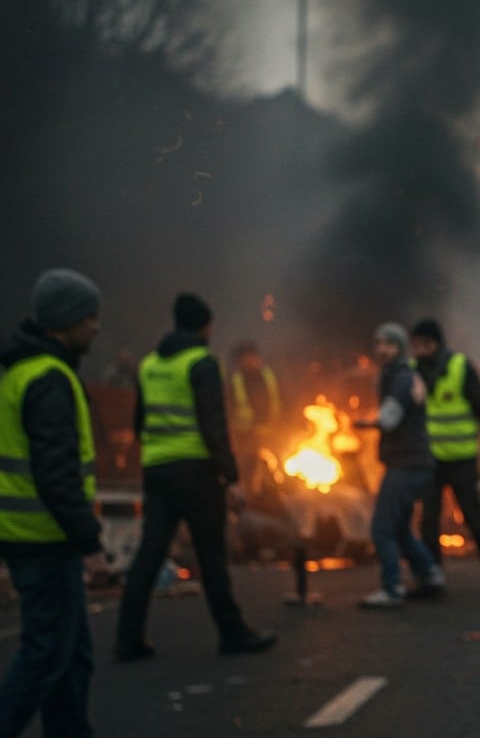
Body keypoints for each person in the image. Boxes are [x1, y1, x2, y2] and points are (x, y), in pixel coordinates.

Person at [115, 293, 275, 660]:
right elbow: (213, 426)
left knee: (150, 553)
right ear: (205, 326)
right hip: (196, 473)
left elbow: (139, 423)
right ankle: (233, 634)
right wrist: (231, 477)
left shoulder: (151, 364)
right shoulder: (202, 363)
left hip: (157, 469)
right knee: (212, 555)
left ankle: (128, 638)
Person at [0, 269, 107, 737]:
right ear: (65, 323)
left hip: (36, 537)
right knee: (45, 655)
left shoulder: (26, 370)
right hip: (44, 540)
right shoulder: (48, 379)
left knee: (71, 658)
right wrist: (91, 542)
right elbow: (56, 474)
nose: (97, 326)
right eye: (90, 316)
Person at [409, 318, 480, 593]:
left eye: (425, 343)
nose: (420, 350)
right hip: (430, 460)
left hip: (462, 459)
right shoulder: (413, 372)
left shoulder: (460, 367)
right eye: (416, 345)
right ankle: (432, 578)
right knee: (428, 519)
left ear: (437, 343)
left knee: (473, 516)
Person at [354, 322, 443, 607]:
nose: (381, 349)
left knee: (382, 528)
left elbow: (390, 418)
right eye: (378, 343)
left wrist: (365, 423)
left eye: (388, 344)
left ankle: (392, 589)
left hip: (407, 464)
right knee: (401, 527)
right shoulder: (400, 375)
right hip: (413, 463)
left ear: (399, 347)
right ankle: (430, 574)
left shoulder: (402, 378)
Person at [227, 341, 283, 489]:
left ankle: (274, 496)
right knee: (248, 471)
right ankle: (250, 499)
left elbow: (283, 400)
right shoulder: (235, 381)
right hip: (245, 436)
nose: (251, 361)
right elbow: (229, 407)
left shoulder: (270, 376)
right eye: (246, 358)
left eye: (253, 357)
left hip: (273, 434)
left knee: (276, 470)